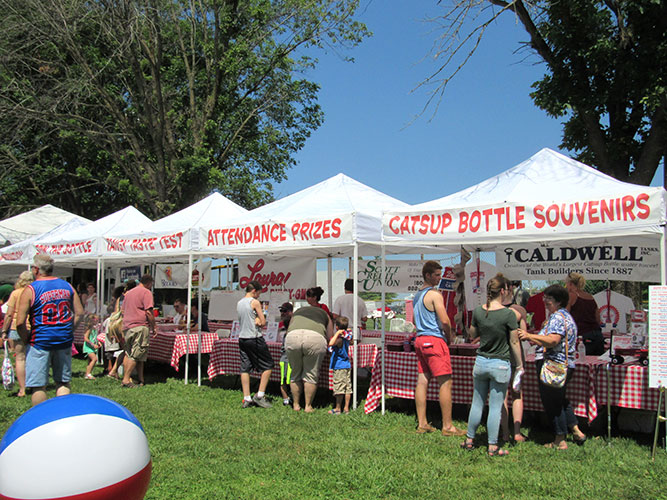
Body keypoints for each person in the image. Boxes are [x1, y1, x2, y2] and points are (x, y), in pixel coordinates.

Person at [519, 284, 587, 449]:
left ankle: (560, 439)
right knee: (560, 399)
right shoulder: (564, 316)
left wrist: (529, 335)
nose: (545, 301)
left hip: (553, 364)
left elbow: (553, 340)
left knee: (552, 402)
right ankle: (576, 431)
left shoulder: (557, 318)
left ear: (558, 301)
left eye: (548, 299)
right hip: (564, 364)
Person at [461, 274, 523, 457]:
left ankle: (470, 440)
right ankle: (492, 445)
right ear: (503, 291)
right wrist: (519, 365)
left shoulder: (479, 311)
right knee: (496, 406)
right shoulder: (508, 314)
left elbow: (472, 334)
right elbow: (514, 343)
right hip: (500, 364)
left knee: (477, 403)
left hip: (481, 362)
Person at [15, 254, 84, 406]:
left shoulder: (31, 289)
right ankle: (62, 414)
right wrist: (69, 330)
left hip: (40, 341)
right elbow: (79, 313)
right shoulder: (67, 286)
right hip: (63, 340)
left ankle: (40, 421)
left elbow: (20, 322)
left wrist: (26, 338)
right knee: (63, 382)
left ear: (36, 269)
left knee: (39, 386)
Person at [413, 260, 465, 436]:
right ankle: (448, 426)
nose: (439, 278)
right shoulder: (435, 294)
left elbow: (414, 320)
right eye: (436, 274)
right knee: (445, 382)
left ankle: (422, 422)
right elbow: (445, 320)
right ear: (427, 275)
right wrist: (449, 336)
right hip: (434, 340)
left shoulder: (417, 295)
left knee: (422, 380)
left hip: (420, 339)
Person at [285, 301, 333, 412]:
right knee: (311, 374)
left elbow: (289, 330)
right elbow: (330, 336)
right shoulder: (325, 314)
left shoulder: (298, 312)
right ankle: (308, 406)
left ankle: (296, 405)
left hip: (293, 337)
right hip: (314, 338)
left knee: (295, 373)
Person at [237, 280, 273, 408]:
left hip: (242, 338)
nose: (259, 296)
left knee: (245, 367)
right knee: (268, 365)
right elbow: (263, 322)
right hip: (254, 337)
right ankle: (260, 395)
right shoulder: (255, 302)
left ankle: (246, 397)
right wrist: (258, 320)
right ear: (254, 291)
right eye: (258, 293)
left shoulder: (239, 303)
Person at [501, 280, 529, 443]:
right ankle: (517, 432)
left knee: (502, 394)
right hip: (515, 354)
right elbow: (523, 334)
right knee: (517, 393)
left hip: (499, 354)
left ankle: (504, 432)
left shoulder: (490, 310)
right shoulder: (519, 310)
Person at [1, 271, 35, 397]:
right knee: (32, 357)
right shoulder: (34, 293)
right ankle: (34, 385)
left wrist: (4, 330)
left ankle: (22, 389)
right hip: (33, 327)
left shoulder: (15, 293)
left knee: (20, 358)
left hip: (16, 327)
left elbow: (9, 314)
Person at [120, 274, 156, 388]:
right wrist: (154, 326)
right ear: (149, 283)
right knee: (136, 354)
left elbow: (122, 311)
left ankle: (140, 379)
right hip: (139, 326)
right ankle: (126, 380)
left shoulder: (129, 293)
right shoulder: (146, 293)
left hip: (127, 326)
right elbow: (149, 312)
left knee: (130, 353)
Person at [566, 272, 604, 355]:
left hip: (583, 336)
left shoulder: (571, 296)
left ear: (570, 284)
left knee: (582, 362)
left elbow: (565, 316)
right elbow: (598, 318)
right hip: (597, 334)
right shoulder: (590, 296)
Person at [328, 316, 353, 415]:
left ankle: (338, 408)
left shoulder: (339, 339)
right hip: (346, 364)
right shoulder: (347, 337)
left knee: (339, 388)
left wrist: (337, 334)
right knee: (347, 387)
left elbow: (330, 343)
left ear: (337, 327)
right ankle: (346, 408)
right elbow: (351, 340)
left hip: (339, 365)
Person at [278, 302, 294, 406]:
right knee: (284, 379)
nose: (282, 313)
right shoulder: (281, 324)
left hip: (290, 358)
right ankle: (286, 398)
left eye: (285, 311)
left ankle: (291, 396)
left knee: (289, 379)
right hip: (285, 358)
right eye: (281, 311)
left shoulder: (293, 323)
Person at [82, 315, 100, 380]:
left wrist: (98, 343)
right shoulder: (89, 329)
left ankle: (87, 373)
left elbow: (94, 338)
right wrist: (92, 344)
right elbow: (86, 338)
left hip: (92, 346)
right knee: (94, 359)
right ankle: (88, 374)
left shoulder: (94, 328)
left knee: (90, 361)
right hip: (88, 347)